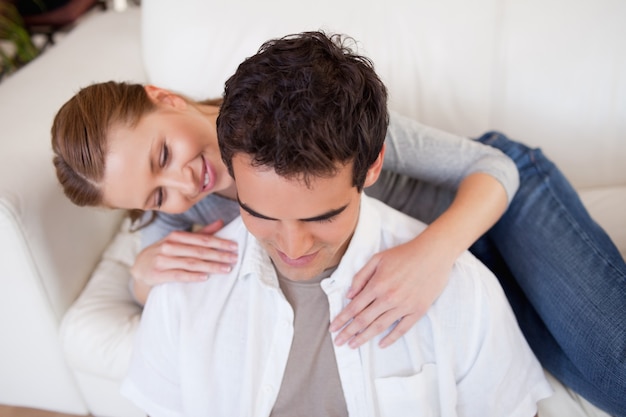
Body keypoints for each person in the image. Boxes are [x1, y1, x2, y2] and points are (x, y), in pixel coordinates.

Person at [51, 33, 626, 417]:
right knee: (568, 366)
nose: (182, 183)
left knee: (614, 368)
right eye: (155, 195)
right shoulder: (187, 209)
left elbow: (492, 167)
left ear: (164, 99)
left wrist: (434, 253)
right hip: (455, 266)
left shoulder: (306, 116)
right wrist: (143, 275)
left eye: (162, 155)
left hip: (495, 207)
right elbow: (157, 277)